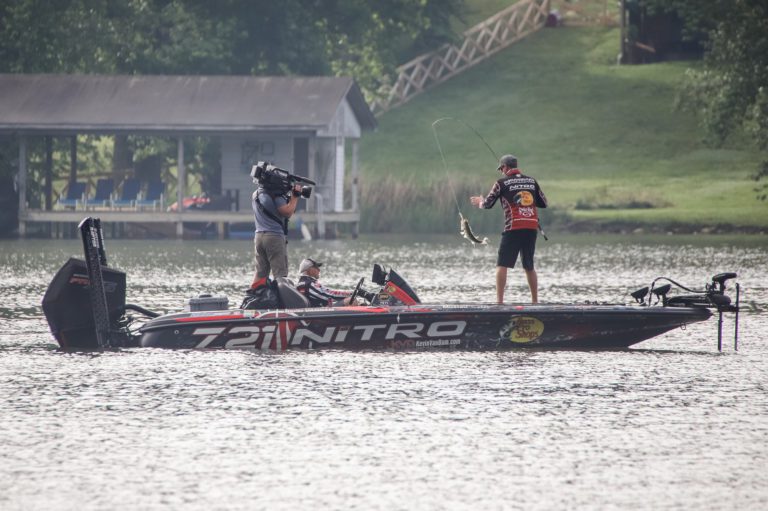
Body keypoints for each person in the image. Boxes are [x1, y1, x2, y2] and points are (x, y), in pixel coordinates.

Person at [470, 154, 548, 304]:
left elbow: (487, 204)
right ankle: (535, 302)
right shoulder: (531, 181)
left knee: (502, 264)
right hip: (531, 227)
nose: (501, 171)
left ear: (505, 167)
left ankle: (499, 303)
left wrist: (480, 201)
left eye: (501, 169)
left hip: (514, 226)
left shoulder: (501, 183)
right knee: (529, 265)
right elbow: (544, 203)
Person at [248, 178, 302, 291]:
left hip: (259, 236)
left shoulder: (256, 194)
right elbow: (287, 212)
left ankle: (252, 297)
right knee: (280, 274)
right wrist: (295, 197)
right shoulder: (276, 196)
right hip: (274, 237)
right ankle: (282, 304)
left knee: (260, 273)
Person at [296, 258, 365, 307]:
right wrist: (352, 293)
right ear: (310, 270)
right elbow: (329, 296)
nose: (319, 270)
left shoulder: (302, 283)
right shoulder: (309, 284)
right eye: (316, 267)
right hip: (319, 313)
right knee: (351, 300)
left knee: (357, 301)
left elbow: (326, 296)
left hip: (315, 310)